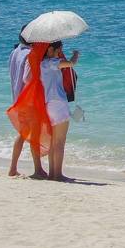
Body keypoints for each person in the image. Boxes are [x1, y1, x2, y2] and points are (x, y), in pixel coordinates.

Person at [40, 41, 80, 182]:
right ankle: (58, 174)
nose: (60, 53)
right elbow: (71, 64)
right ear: (51, 49)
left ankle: (53, 173)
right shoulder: (52, 63)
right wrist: (75, 54)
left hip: (48, 103)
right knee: (60, 141)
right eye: (59, 50)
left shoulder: (42, 64)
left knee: (53, 141)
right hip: (58, 103)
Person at [8, 27, 45, 179]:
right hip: (28, 99)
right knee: (34, 133)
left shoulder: (15, 52)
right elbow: (27, 78)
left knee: (23, 133)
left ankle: (13, 168)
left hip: (18, 97)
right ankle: (38, 169)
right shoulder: (29, 54)